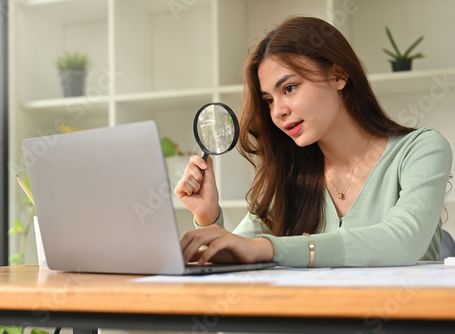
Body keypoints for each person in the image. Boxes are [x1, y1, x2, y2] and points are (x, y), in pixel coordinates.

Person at [174, 16, 453, 268]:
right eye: (269, 100)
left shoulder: (420, 150)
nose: (278, 111)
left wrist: (269, 247)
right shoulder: (289, 178)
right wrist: (208, 216)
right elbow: (236, 252)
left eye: (290, 88)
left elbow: (403, 241)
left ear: (339, 75)